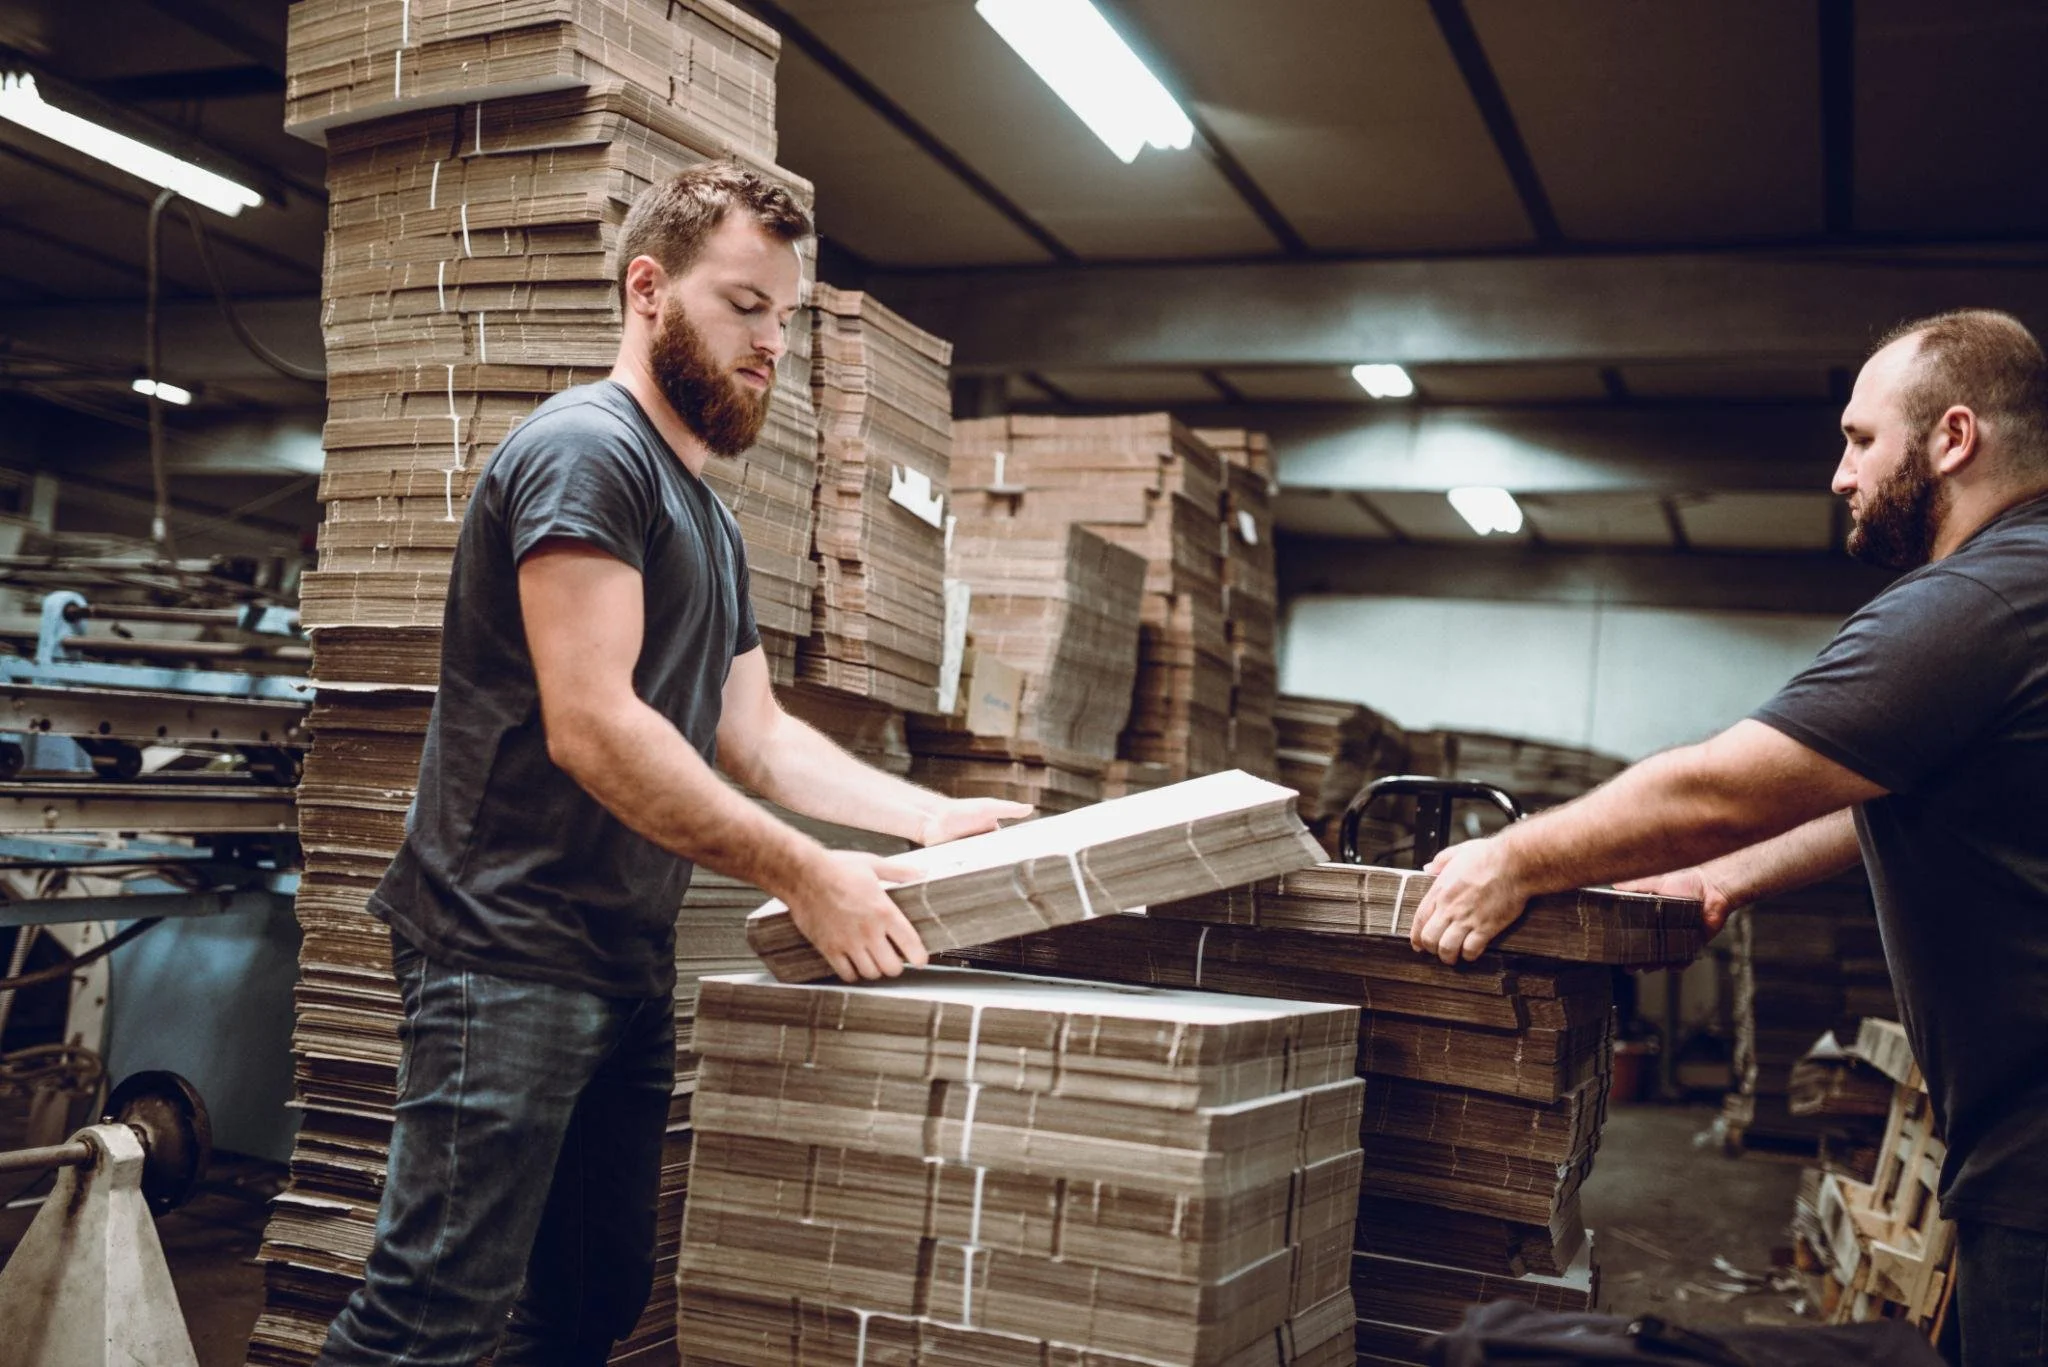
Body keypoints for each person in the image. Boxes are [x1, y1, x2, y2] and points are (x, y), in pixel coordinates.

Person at [316, 163, 1029, 1366]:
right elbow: (591, 722)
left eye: (786, 320)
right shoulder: (587, 452)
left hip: (617, 960)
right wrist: (808, 874)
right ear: (648, 288)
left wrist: (923, 818)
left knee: (589, 1302)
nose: (771, 347)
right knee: (426, 1319)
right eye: (744, 307)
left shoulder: (706, 513)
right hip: (503, 949)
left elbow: (752, 735)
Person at [1407, 309, 2048, 1366]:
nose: (1838, 474)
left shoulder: (1984, 598)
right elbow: (1879, 793)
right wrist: (1722, 878)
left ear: (1952, 437)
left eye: (1858, 438)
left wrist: (1511, 856)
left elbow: (1718, 782)